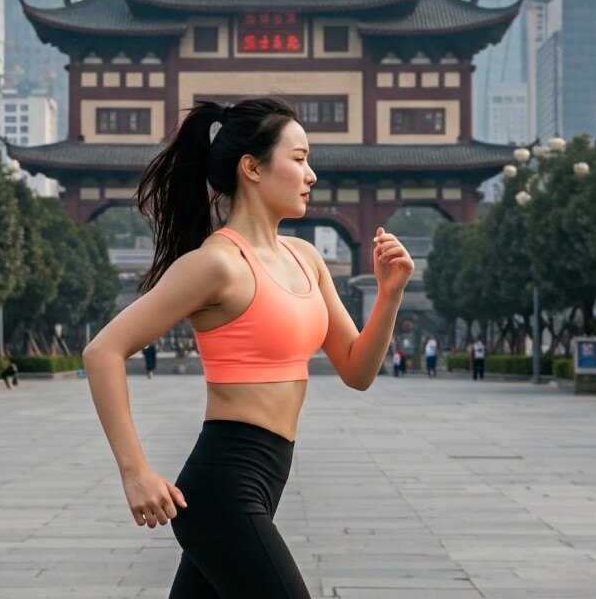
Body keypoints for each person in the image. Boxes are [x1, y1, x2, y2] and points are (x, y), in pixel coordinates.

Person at [82, 98, 413, 598]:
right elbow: (102, 352)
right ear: (252, 167)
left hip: (265, 479)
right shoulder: (217, 264)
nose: (312, 174)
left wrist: (389, 295)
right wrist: (135, 472)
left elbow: (357, 370)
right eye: (299, 158)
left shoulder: (305, 258)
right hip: (224, 489)